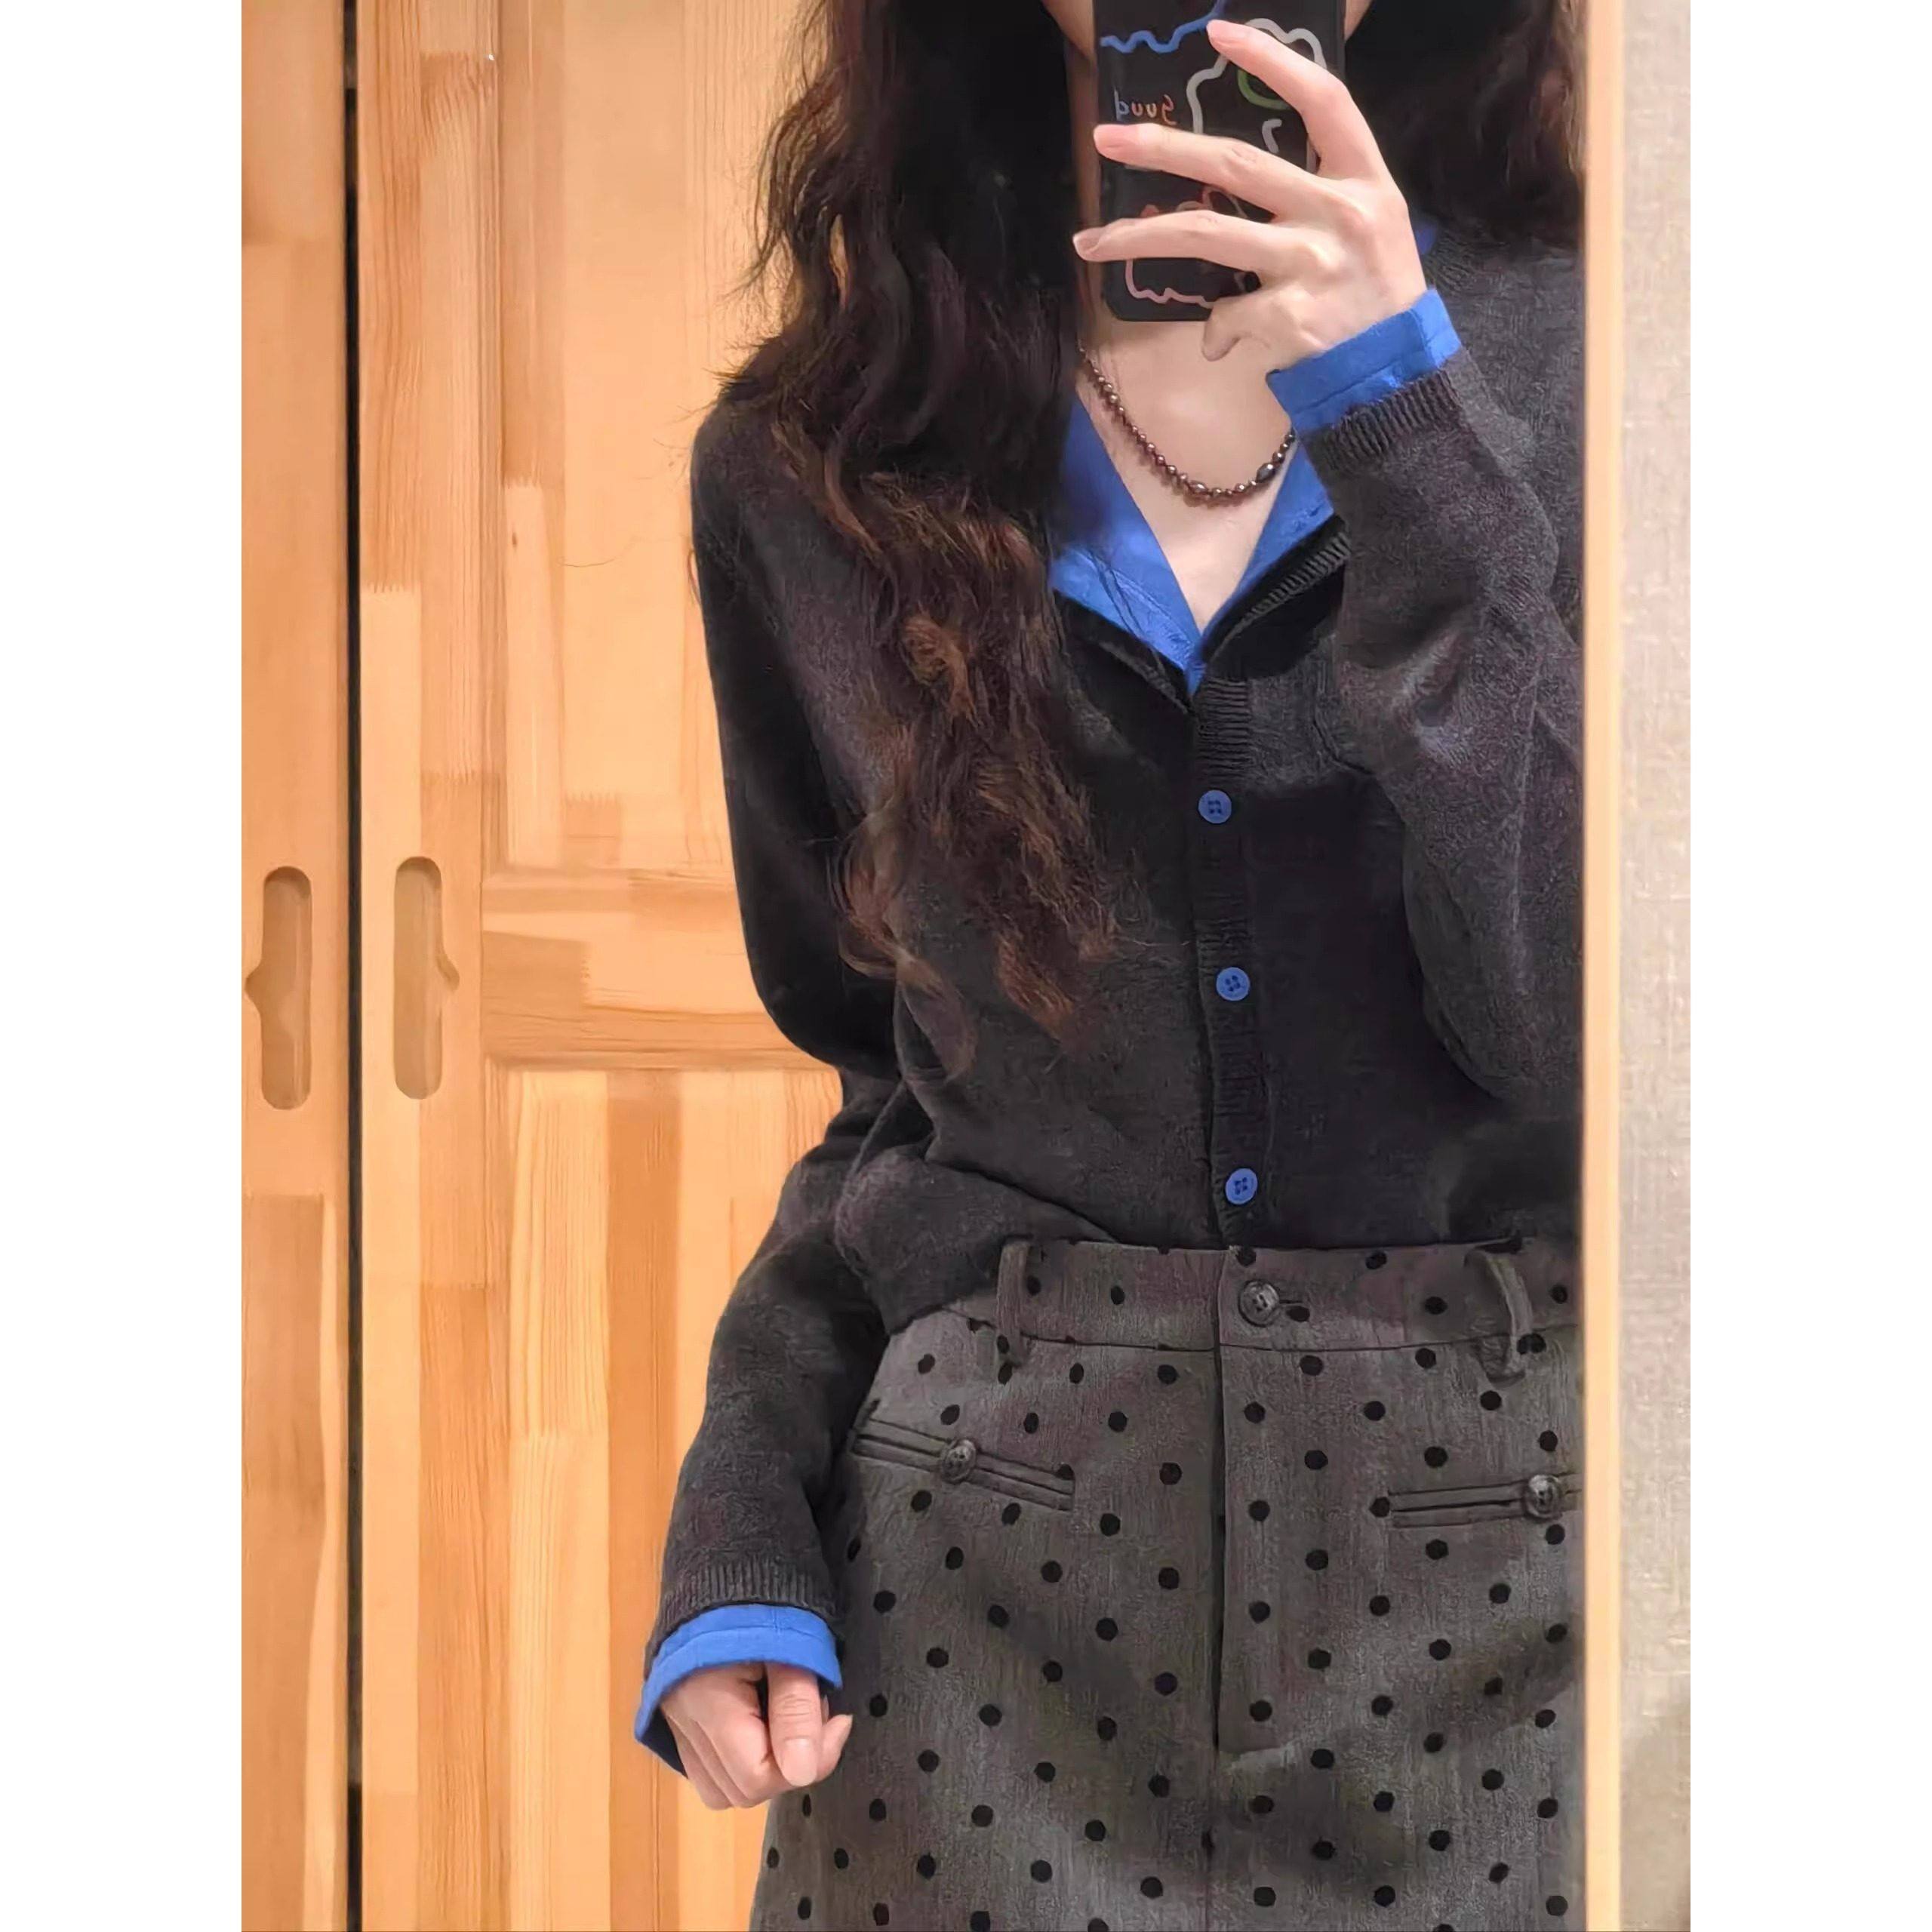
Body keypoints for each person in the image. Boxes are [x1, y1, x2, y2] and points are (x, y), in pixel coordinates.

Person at [637, 2, 1584, 1925]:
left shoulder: (1612, 376)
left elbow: (1579, 1034)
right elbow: (890, 1094)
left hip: (1494, 1602)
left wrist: (1402, 416)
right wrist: (744, 1526)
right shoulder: (810, 460)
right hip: (980, 1626)